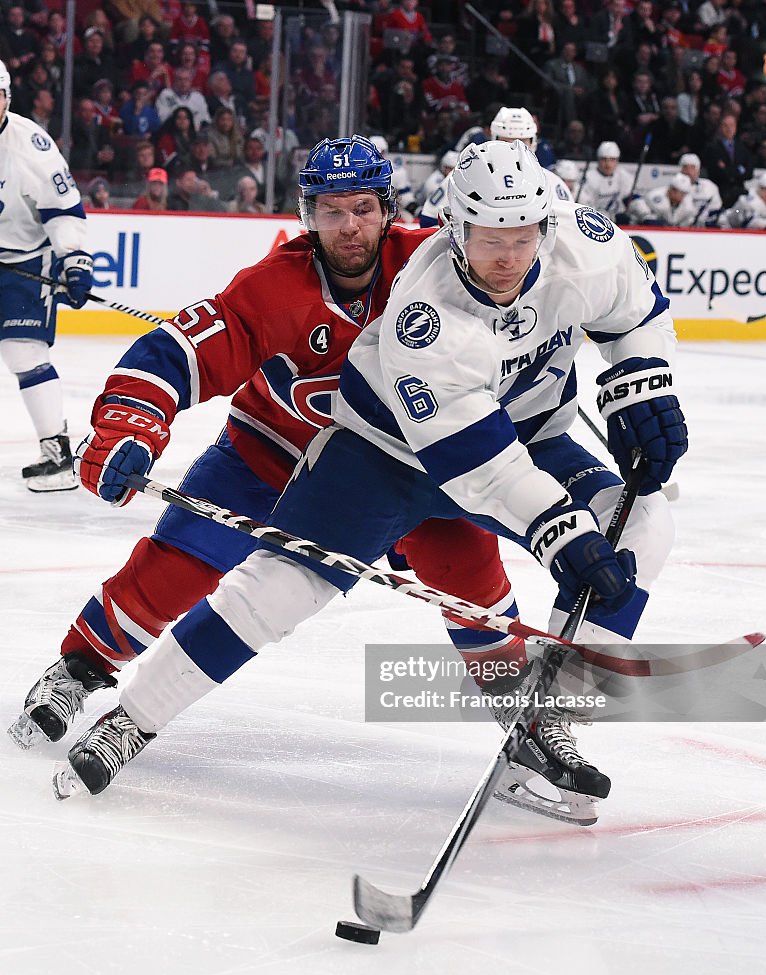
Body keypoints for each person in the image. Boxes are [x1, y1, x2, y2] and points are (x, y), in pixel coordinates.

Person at [46, 141, 686, 816]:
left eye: (523, 237)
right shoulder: (425, 315)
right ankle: (133, 717)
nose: (507, 257)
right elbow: (482, 469)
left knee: (641, 519)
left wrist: (639, 383)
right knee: (279, 587)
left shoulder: (585, 244)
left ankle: (551, 710)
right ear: (454, 229)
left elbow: (633, 312)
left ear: (548, 226)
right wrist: (561, 534)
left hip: (527, 434)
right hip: (385, 454)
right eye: (488, 239)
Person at [10, 137, 524, 782]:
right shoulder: (274, 288)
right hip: (270, 456)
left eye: (363, 208)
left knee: (473, 580)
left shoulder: (433, 267)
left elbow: (529, 291)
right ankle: (81, 670)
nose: (350, 226)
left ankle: (529, 721)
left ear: (388, 209)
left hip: (405, 472)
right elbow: (175, 353)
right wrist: (128, 424)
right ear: (307, 215)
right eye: (332, 211)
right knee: (177, 564)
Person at [0, 60, 94, 492]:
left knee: (23, 352)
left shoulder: (32, 146)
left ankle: (56, 453)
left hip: (26, 260)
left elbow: (63, 211)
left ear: (8, 98)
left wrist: (75, 260)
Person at [489, 107, 572, 202]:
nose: (514, 148)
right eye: (506, 142)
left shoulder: (552, 183)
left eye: (522, 142)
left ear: (533, 143)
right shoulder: (478, 179)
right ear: (494, 141)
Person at [577, 140, 633, 219]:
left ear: (617, 161)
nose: (608, 164)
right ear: (598, 160)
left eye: (612, 160)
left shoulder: (624, 176)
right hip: (595, 219)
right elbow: (584, 205)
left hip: (618, 219)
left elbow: (629, 198)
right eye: (604, 159)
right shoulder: (588, 178)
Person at [627, 171, 697, 226]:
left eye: (684, 193)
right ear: (672, 190)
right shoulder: (655, 196)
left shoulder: (688, 203)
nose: (683, 196)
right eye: (681, 193)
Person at [677, 152, 722, 227]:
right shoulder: (673, 188)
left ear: (698, 170)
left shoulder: (709, 187)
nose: (688, 171)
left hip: (703, 229)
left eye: (692, 167)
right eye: (685, 167)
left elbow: (716, 209)